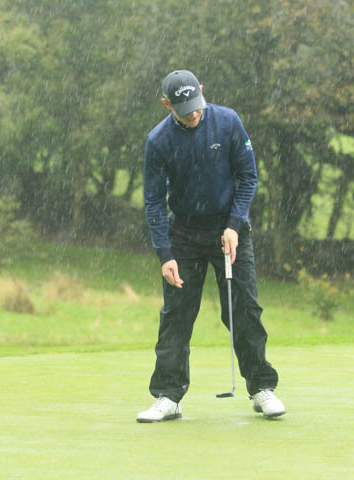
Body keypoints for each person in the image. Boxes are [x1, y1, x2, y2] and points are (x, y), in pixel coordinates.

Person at [137, 70, 285, 423]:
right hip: (184, 235)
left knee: (244, 311)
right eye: (184, 109)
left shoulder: (228, 122)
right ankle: (169, 396)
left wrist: (234, 224)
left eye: (196, 104)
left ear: (202, 91)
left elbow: (248, 176)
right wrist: (165, 254)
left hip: (229, 232)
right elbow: (154, 201)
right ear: (166, 104)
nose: (193, 114)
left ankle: (262, 388)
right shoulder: (158, 140)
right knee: (177, 315)